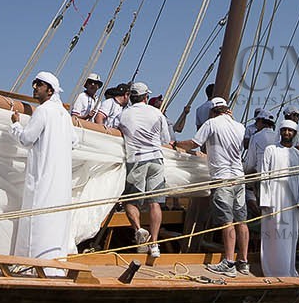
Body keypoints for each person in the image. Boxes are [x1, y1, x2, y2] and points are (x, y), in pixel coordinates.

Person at [8, 72, 76, 273]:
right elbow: (74, 141)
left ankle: (30, 267)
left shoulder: (43, 111)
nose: (35, 87)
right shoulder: (64, 114)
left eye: (40, 84)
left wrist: (15, 125)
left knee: (37, 220)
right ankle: (53, 267)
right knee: (54, 221)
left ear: (50, 90)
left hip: (43, 176)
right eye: (34, 83)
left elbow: (27, 139)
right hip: (60, 179)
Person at [176, 99, 248, 276]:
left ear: (212, 110)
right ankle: (243, 262)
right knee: (242, 221)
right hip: (239, 178)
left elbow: (194, 143)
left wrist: (177, 144)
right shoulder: (240, 127)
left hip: (221, 178)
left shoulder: (211, 123)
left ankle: (229, 263)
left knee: (226, 221)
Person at [105, 81, 169, 258]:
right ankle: (155, 244)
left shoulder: (124, 114)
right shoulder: (157, 113)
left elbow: (117, 132)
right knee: (155, 202)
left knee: (130, 201)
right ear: (146, 97)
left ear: (130, 97)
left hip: (136, 159)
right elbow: (165, 138)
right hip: (156, 159)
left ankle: (139, 230)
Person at [258, 119, 299, 277]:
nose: (287, 133)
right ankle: (270, 270)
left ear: (294, 134)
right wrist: (266, 200)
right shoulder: (271, 150)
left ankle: (286, 271)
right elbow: (264, 175)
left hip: (292, 203)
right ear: (280, 131)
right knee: (271, 234)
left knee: (289, 237)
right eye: (284, 130)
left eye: (290, 131)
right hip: (273, 201)